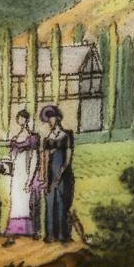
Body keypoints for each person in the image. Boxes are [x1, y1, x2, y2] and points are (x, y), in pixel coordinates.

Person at [39, 104, 75, 244]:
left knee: (61, 202)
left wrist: (61, 171)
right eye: (48, 119)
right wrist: (45, 177)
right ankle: (50, 234)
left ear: (58, 118)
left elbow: (68, 158)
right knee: (50, 202)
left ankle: (62, 235)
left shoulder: (67, 135)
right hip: (51, 174)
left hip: (63, 174)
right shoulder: (47, 139)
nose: (50, 121)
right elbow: (45, 159)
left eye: (52, 118)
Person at [4, 109, 41, 238]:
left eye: (22, 118)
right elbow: (12, 157)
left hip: (26, 171)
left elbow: (34, 158)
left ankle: (27, 229)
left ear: (27, 120)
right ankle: (15, 228)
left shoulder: (32, 137)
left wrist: (30, 178)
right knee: (16, 198)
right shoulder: (15, 137)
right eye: (18, 118)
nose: (20, 120)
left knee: (26, 199)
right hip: (16, 172)